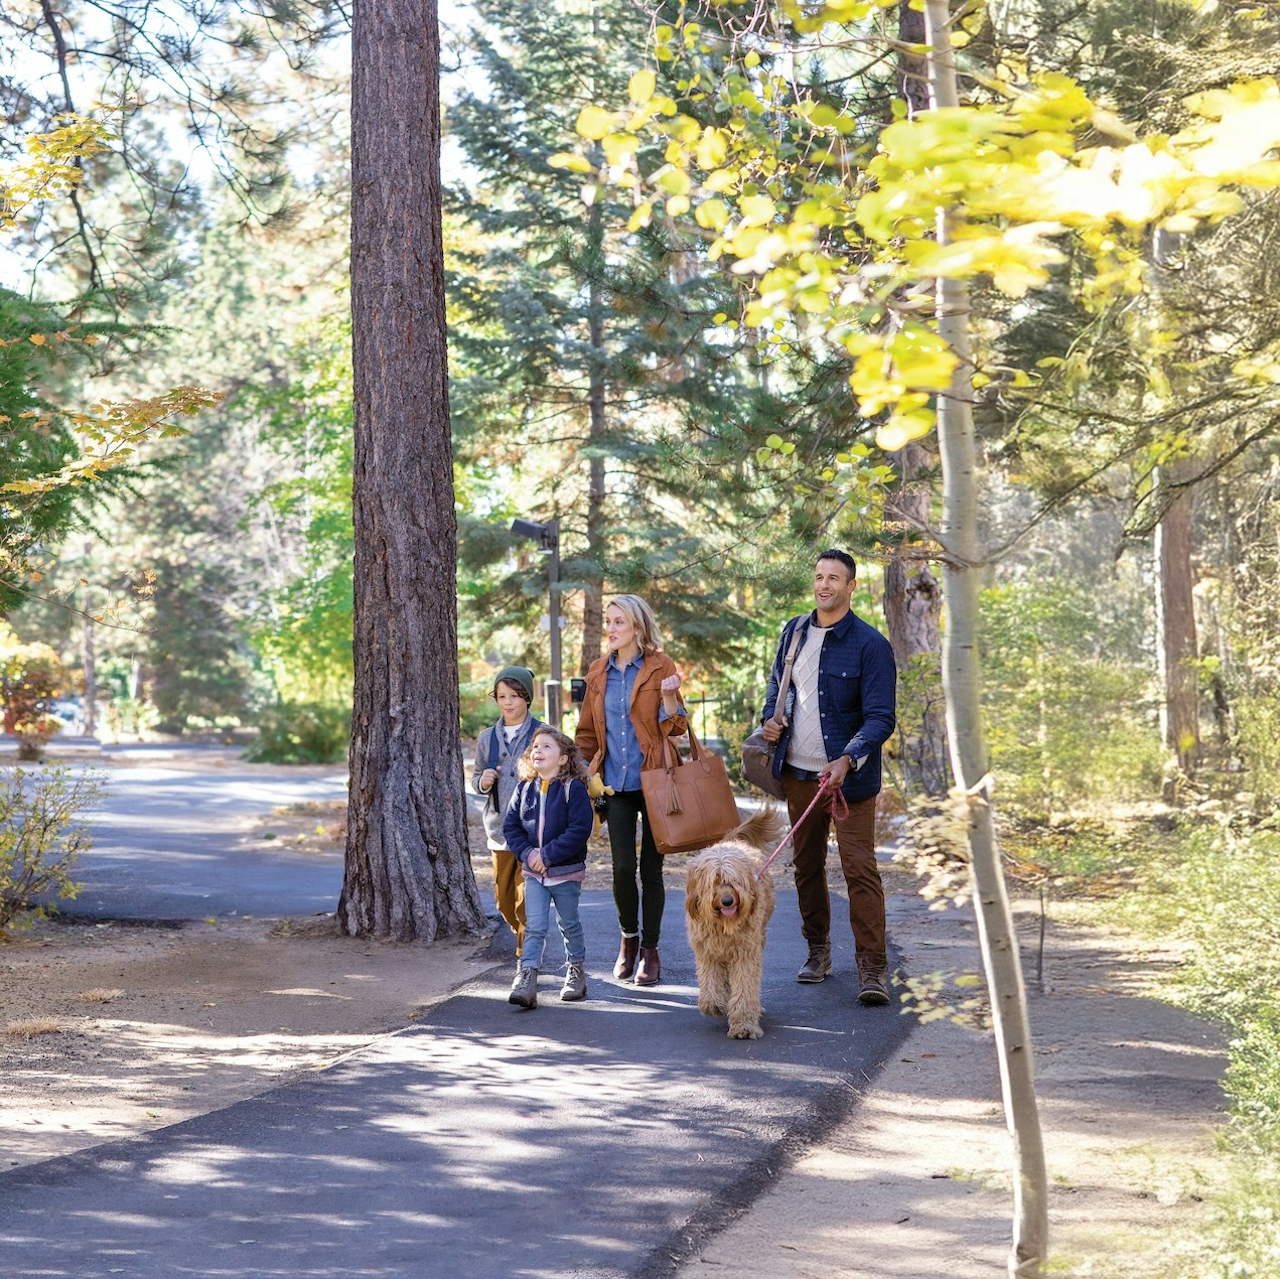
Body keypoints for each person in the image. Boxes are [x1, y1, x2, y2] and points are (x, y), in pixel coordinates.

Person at [760, 549, 897, 1005]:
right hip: (798, 774)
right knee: (807, 866)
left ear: (851, 586)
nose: (824, 585)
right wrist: (770, 721)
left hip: (849, 782)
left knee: (859, 869)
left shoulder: (870, 645)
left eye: (834, 578)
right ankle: (818, 952)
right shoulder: (794, 631)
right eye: (819, 577)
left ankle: (872, 968)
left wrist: (849, 757)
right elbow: (776, 685)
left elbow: (881, 718)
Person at [575, 594, 687, 987]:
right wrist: (580, 777)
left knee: (652, 870)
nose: (611, 629)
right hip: (613, 785)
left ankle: (651, 951)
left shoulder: (660, 666)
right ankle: (628, 939)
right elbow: (587, 732)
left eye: (619, 622)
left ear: (637, 627)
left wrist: (671, 696)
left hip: (655, 781)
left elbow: (676, 727)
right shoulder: (598, 671)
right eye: (608, 621)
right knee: (622, 867)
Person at [504, 725, 595, 1009]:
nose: (538, 751)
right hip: (533, 873)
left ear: (563, 758)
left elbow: (579, 830)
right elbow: (511, 826)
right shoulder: (524, 788)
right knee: (534, 927)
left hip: (565, 873)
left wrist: (548, 856)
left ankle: (576, 971)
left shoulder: (574, 790)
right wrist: (529, 853)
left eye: (546, 746)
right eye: (535, 747)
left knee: (568, 924)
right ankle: (527, 977)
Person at [471, 666, 541, 973]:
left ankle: (527, 959)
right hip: (498, 830)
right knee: (504, 901)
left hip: (532, 831)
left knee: (525, 901)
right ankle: (522, 936)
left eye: (514, 696)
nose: (508, 703)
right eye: (501, 696)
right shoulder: (488, 739)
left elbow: (564, 768)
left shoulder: (542, 734)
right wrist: (483, 781)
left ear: (526, 697)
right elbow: (475, 780)